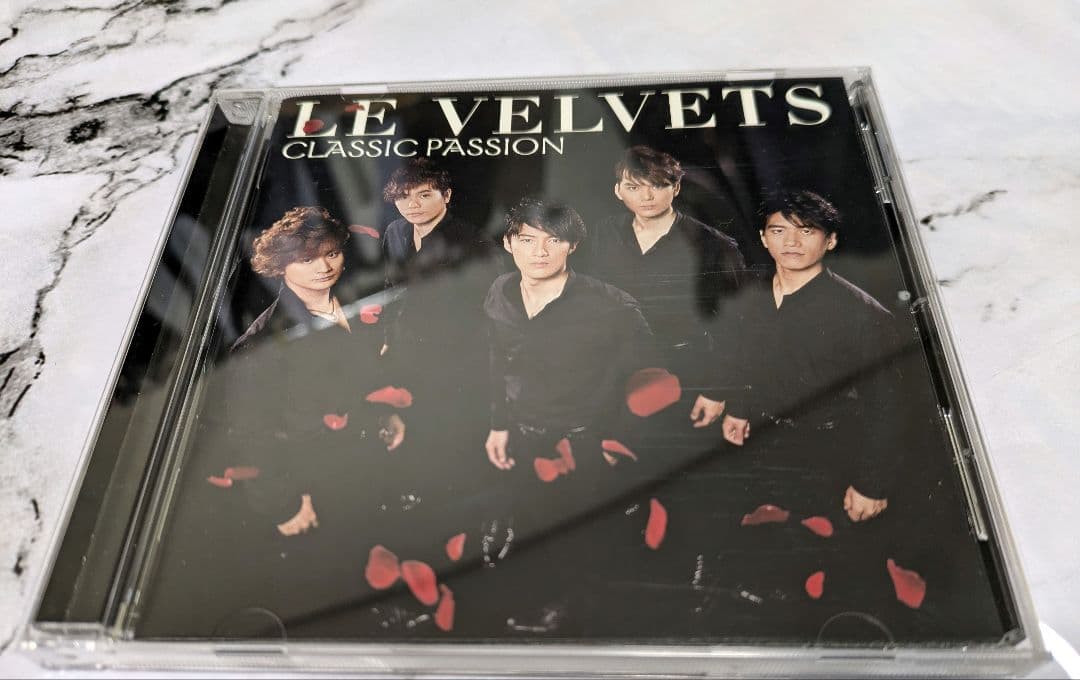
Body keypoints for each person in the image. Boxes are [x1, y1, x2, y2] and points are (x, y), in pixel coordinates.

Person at [714, 189, 910, 636]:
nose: (791, 242)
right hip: (766, 447)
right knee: (768, 559)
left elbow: (888, 405)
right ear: (763, 238)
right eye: (779, 230)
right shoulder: (752, 294)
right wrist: (739, 409)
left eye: (806, 231)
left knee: (850, 567)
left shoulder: (862, 313)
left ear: (831, 241)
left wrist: (872, 483)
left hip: (834, 453)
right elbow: (748, 361)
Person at [582, 145, 745, 429]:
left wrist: (717, 390)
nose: (646, 196)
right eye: (634, 187)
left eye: (657, 185)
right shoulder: (604, 234)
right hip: (617, 373)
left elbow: (738, 325)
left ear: (676, 188)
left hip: (690, 374)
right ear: (618, 191)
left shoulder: (715, 245)